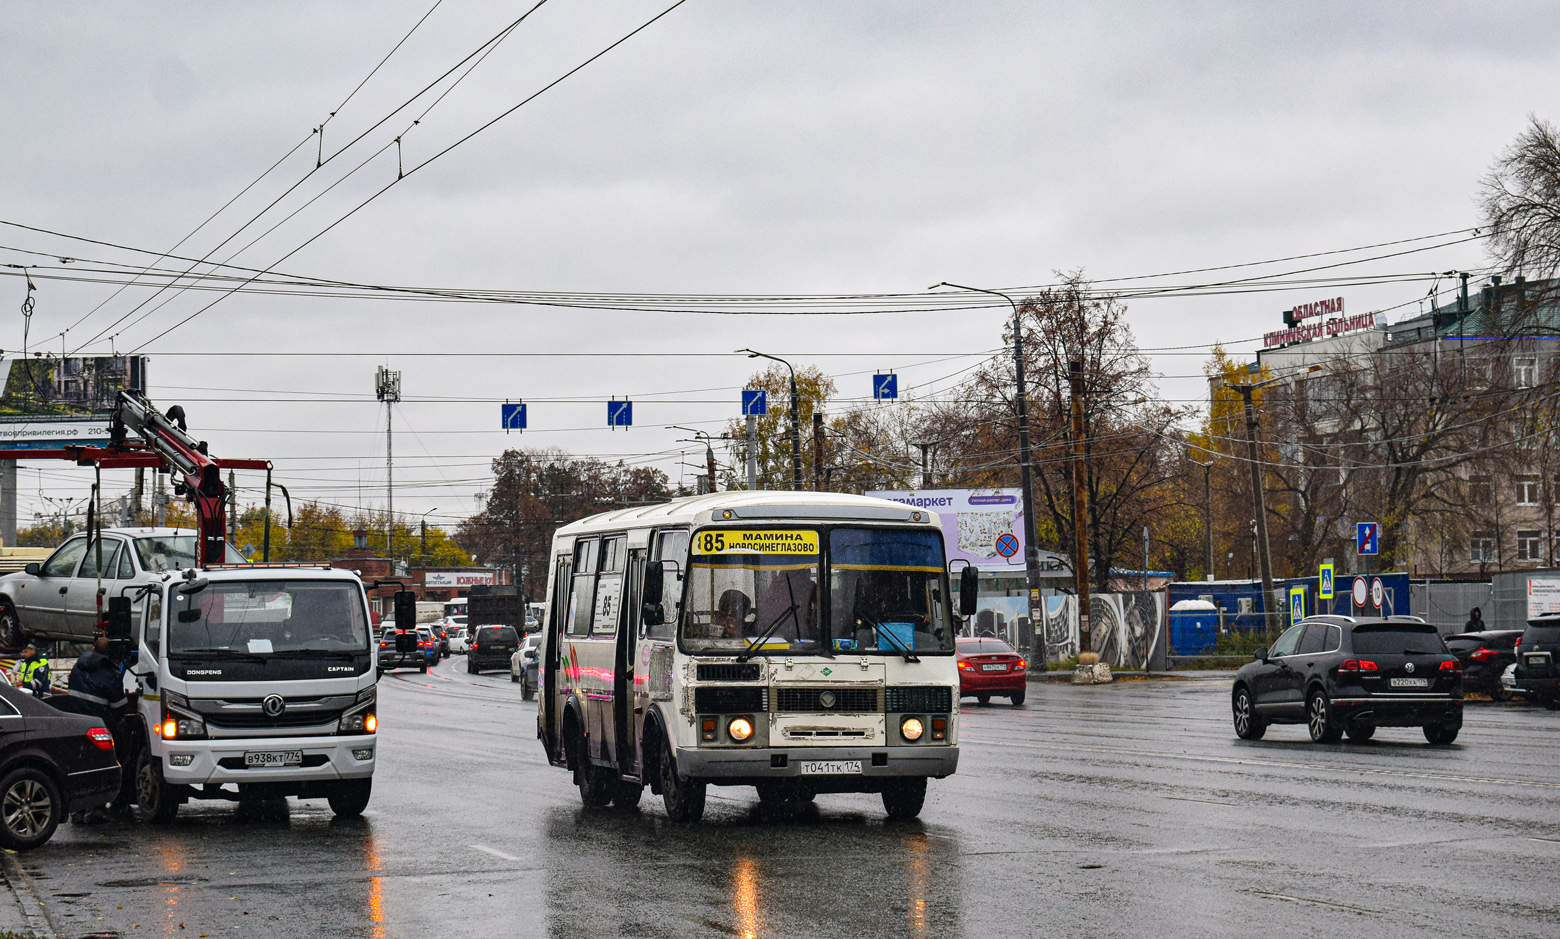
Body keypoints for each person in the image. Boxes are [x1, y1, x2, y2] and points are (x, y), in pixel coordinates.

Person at [67, 636, 131, 824]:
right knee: (101, 767)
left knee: (81, 768)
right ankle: (95, 809)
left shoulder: (78, 667)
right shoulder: (109, 674)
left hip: (77, 725)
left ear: (93, 648)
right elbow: (119, 707)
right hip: (99, 727)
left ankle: (77, 811)